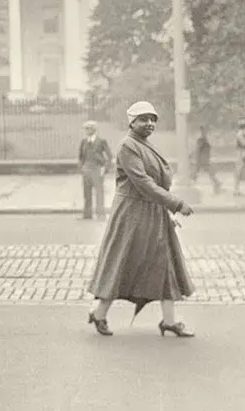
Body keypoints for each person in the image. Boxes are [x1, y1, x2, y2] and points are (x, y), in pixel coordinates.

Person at [87, 101, 196, 338]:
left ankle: (169, 321)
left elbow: (155, 184)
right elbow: (144, 183)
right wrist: (176, 204)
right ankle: (99, 313)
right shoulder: (128, 146)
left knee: (165, 262)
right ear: (132, 122)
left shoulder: (144, 144)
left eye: (152, 119)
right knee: (122, 262)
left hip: (153, 212)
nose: (149, 124)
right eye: (143, 119)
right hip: (132, 216)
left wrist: (166, 212)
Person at [78, 121, 113, 220]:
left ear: (94, 129)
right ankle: (87, 214)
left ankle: (100, 214)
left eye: (88, 128)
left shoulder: (101, 141)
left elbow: (109, 156)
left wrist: (105, 169)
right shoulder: (83, 142)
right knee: (87, 193)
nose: (86, 131)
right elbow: (81, 157)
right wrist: (82, 168)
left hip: (97, 170)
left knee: (99, 193)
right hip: (86, 170)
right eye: (85, 129)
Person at [192, 125, 221, 194]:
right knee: (206, 173)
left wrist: (195, 157)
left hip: (202, 160)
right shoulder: (204, 140)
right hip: (203, 159)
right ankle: (217, 184)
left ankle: (217, 184)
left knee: (196, 173)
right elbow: (201, 149)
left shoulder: (202, 140)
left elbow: (198, 150)